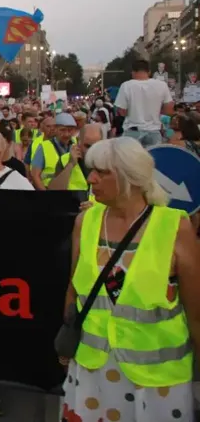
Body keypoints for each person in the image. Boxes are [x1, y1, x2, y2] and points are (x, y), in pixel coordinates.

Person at [60, 137, 200, 421]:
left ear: (131, 177)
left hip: (158, 381)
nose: (91, 178)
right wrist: (67, 343)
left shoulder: (174, 226)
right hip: (91, 370)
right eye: (91, 170)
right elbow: (74, 289)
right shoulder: (84, 222)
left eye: (102, 172)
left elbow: (196, 311)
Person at [114, 58, 175, 148]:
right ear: (149, 72)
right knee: (153, 159)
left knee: (130, 160)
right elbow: (169, 109)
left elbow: (122, 112)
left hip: (133, 131)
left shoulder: (126, 86)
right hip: (154, 131)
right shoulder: (162, 85)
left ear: (133, 72)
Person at [31, 112, 78, 191]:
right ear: (55, 129)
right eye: (62, 130)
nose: (66, 134)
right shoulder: (44, 147)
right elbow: (35, 175)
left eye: (70, 130)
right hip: (51, 191)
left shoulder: (77, 145)